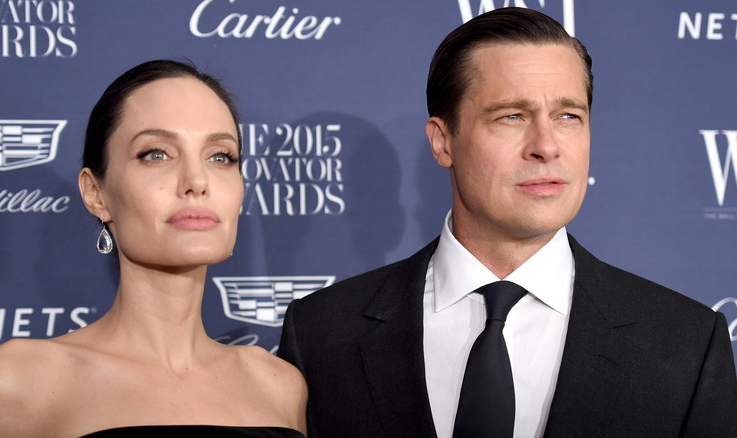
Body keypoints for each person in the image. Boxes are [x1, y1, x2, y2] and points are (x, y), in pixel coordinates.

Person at [278, 7, 737, 438]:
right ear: (442, 142)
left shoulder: (686, 344)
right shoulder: (322, 334)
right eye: (512, 116)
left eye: (568, 116)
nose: (547, 146)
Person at [0, 60, 307, 437]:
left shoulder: (279, 386)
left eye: (220, 157)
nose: (196, 181)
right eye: (156, 154)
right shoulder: (16, 383)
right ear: (96, 193)